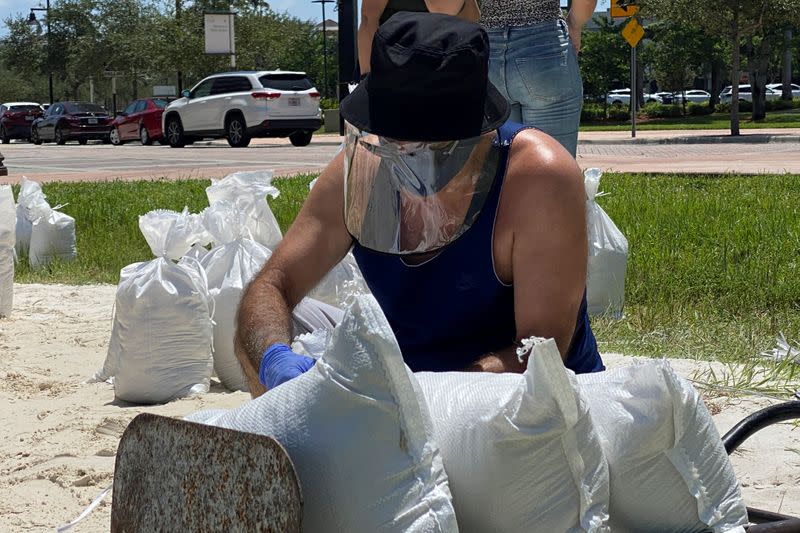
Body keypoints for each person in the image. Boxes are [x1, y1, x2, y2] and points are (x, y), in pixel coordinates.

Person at [235, 12, 604, 397]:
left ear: (481, 136)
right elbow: (273, 284)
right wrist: (272, 360)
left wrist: (417, 393)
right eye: (394, 144)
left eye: (429, 152)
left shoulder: (538, 177)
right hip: (407, 380)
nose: (406, 161)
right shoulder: (362, 169)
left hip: (517, 406)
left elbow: (541, 355)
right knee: (264, 326)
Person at [482, 0, 597, 156]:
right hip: (545, 46)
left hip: (489, 54)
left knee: (503, 171)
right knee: (554, 173)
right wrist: (574, 24)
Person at [357, 0, 480, 77]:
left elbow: (471, 19)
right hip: (394, 64)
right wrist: (367, 76)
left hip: (442, 67)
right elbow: (368, 21)